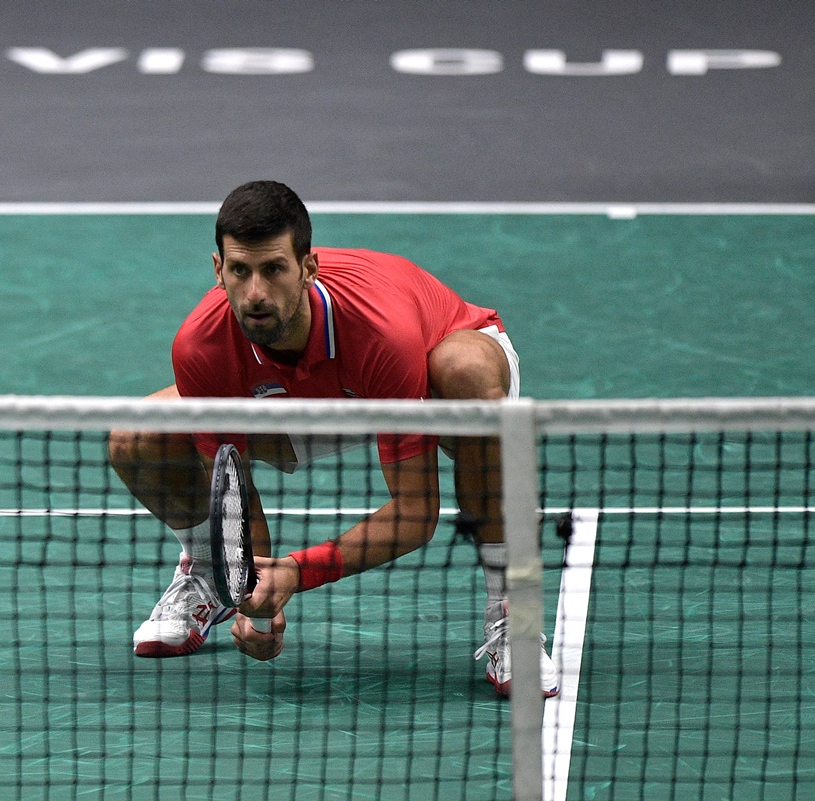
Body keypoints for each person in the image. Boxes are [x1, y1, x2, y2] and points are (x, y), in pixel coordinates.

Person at [108, 180, 558, 697]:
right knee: (138, 434)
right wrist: (255, 597)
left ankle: (511, 613)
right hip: (309, 402)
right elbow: (232, 488)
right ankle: (211, 576)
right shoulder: (201, 346)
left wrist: (297, 573)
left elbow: (416, 514)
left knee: (467, 378)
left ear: (308, 267)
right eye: (240, 271)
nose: (255, 293)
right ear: (218, 270)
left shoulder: (382, 333)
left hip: (425, 377)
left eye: (274, 269)